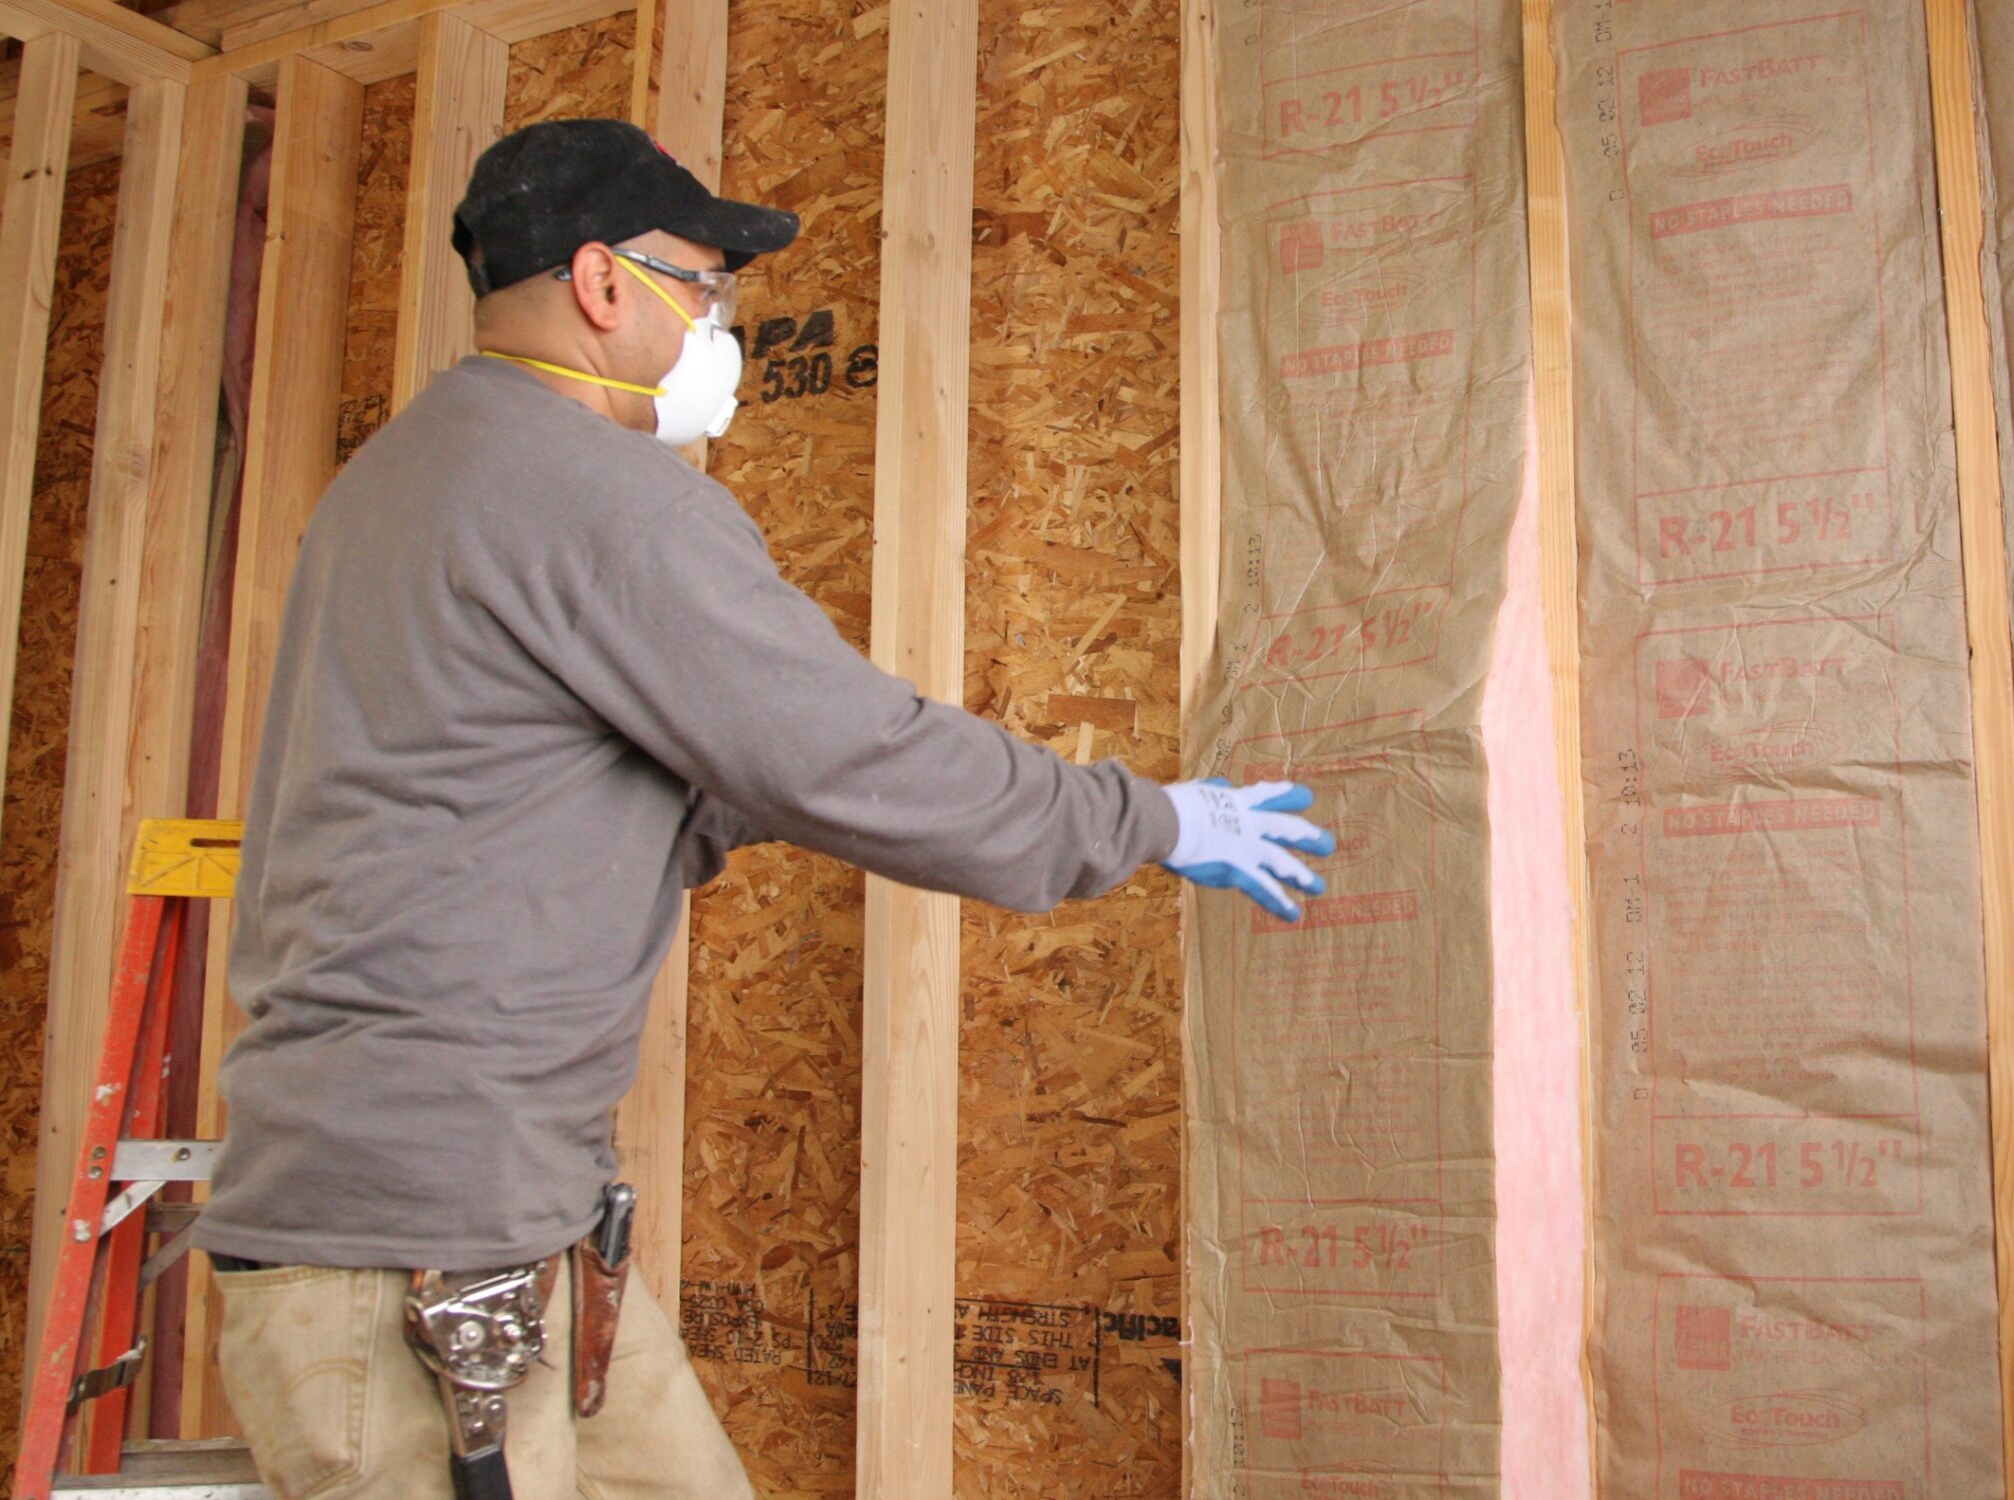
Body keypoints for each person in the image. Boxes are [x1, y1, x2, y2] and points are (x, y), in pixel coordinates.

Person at [191, 119, 1330, 1500]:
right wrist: (1149, 821)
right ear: (606, 287)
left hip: (511, 1225)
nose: (722, 329)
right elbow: (849, 753)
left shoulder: (400, 480)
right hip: (424, 1260)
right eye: (707, 290)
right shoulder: (601, 498)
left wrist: (791, 776)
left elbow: (549, 795)